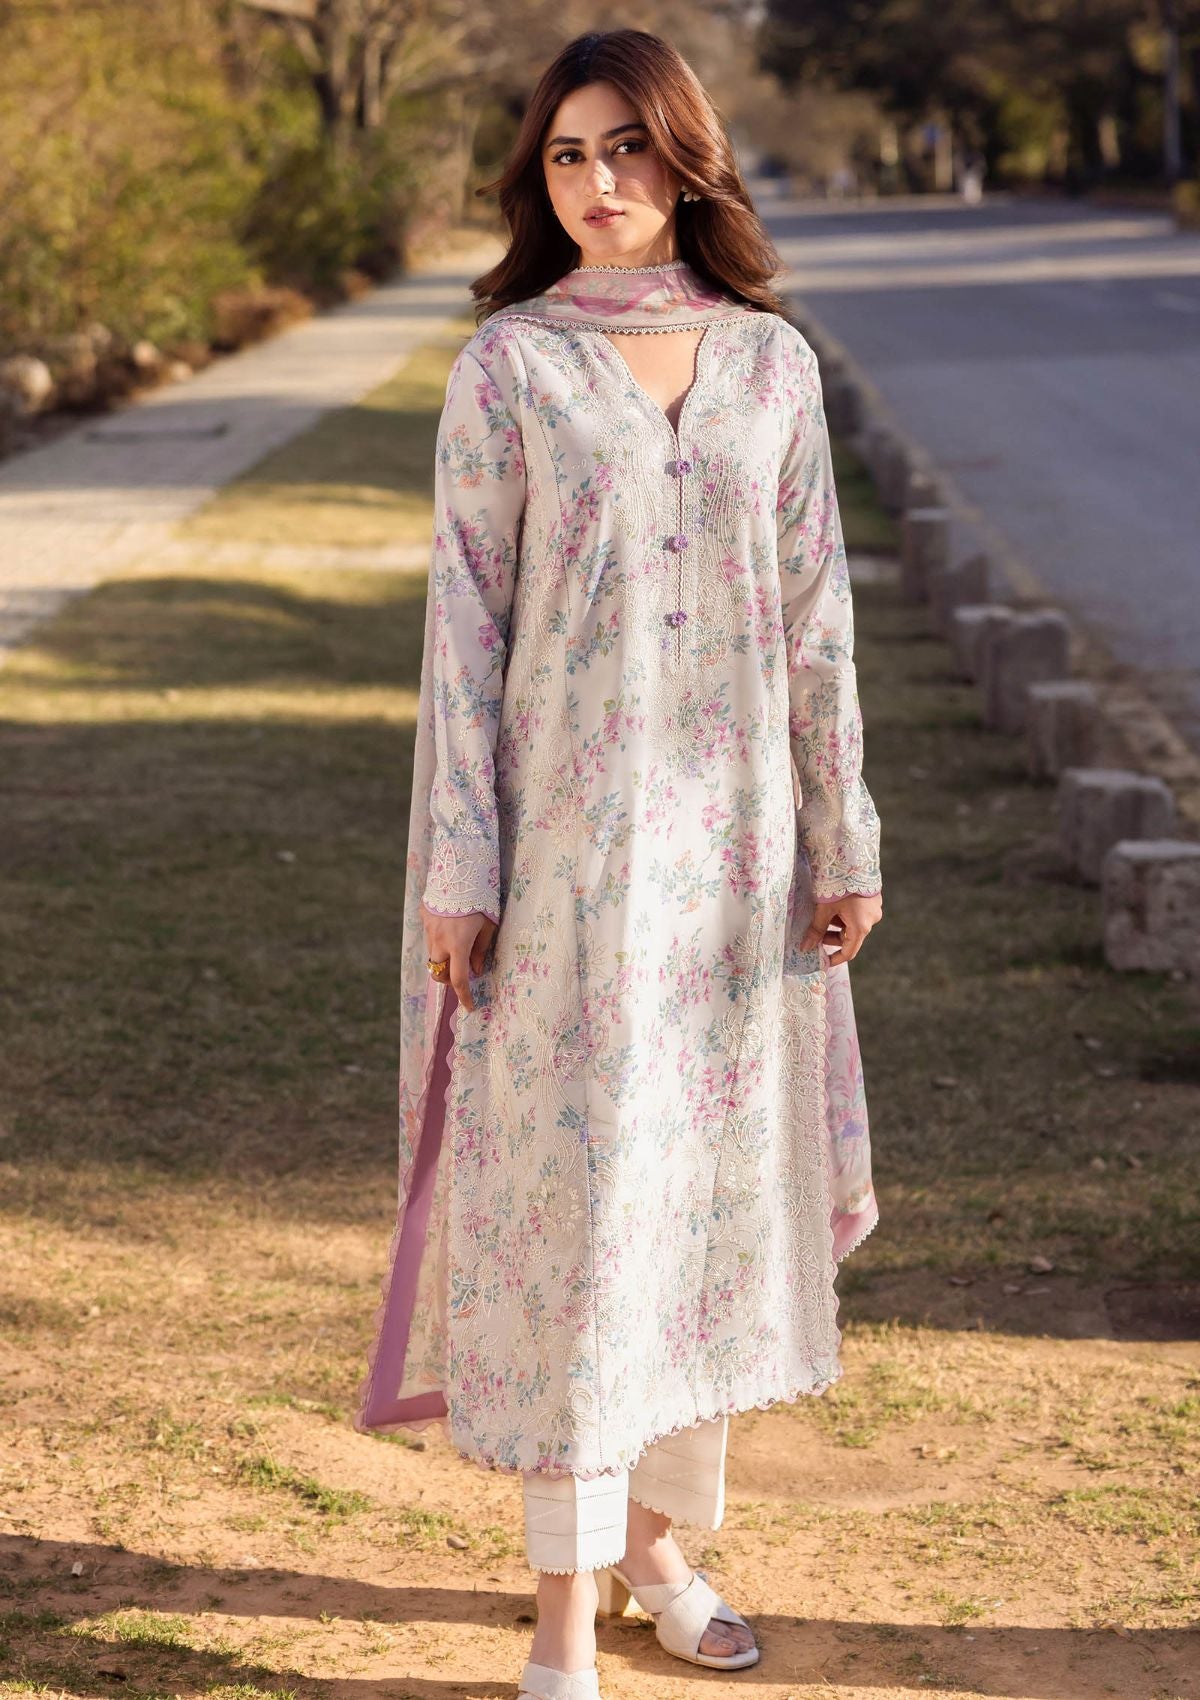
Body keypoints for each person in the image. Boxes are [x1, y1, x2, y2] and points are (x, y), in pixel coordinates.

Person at [353, 28, 884, 1699]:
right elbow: (465, 633)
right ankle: (565, 1615)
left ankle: (663, 1550)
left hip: (733, 870)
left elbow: (817, 623)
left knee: (700, 1207)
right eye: (569, 155)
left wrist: (843, 831)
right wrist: (463, 865)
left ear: (687, 158)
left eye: (629, 148)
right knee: (579, 1225)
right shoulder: (510, 367)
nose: (598, 182)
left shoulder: (770, 366)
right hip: (564, 873)